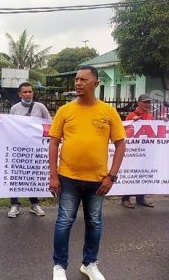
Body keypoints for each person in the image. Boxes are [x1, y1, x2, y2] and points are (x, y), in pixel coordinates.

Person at [49, 66, 126, 280]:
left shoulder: (108, 112)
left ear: (96, 83)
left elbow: (120, 144)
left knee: (94, 222)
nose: (78, 83)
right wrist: (53, 176)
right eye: (76, 79)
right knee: (64, 221)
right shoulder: (65, 111)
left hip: (98, 181)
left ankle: (89, 264)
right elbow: (54, 143)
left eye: (83, 79)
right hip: (68, 178)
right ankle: (59, 267)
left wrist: (112, 176)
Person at [6, 82, 52, 218]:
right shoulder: (14, 108)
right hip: (18, 147)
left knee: (33, 176)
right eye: (25, 92)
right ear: (19, 94)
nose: (27, 94)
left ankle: (34, 204)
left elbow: (49, 123)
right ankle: (14, 204)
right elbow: (10, 126)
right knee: (16, 176)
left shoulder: (40, 107)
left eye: (30, 91)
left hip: (35, 148)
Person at [121, 93, 155, 209]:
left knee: (143, 174)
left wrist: (164, 122)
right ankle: (125, 198)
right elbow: (126, 132)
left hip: (146, 150)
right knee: (131, 174)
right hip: (134, 151)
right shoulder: (131, 116)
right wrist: (134, 122)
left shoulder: (150, 116)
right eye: (145, 102)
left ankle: (140, 198)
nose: (147, 104)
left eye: (148, 102)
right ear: (138, 103)